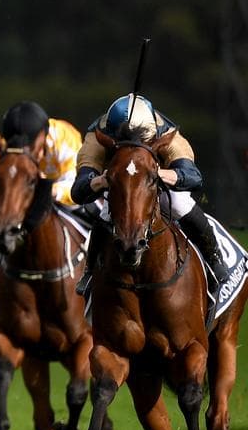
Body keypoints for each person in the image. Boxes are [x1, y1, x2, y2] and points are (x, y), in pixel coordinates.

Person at [70, 93, 229, 295]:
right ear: (110, 137)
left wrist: (159, 175)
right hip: (120, 186)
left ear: (152, 135)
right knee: (105, 215)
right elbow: (78, 191)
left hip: (156, 183)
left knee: (179, 204)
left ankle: (213, 258)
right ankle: (90, 271)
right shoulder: (95, 139)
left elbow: (194, 177)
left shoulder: (168, 135)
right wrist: (102, 180)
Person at [0, 100, 83, 211]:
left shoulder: (65, 139)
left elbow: (77, 189)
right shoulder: (4, 151)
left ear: (43, 137)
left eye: (30, 147)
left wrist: (48, 190)